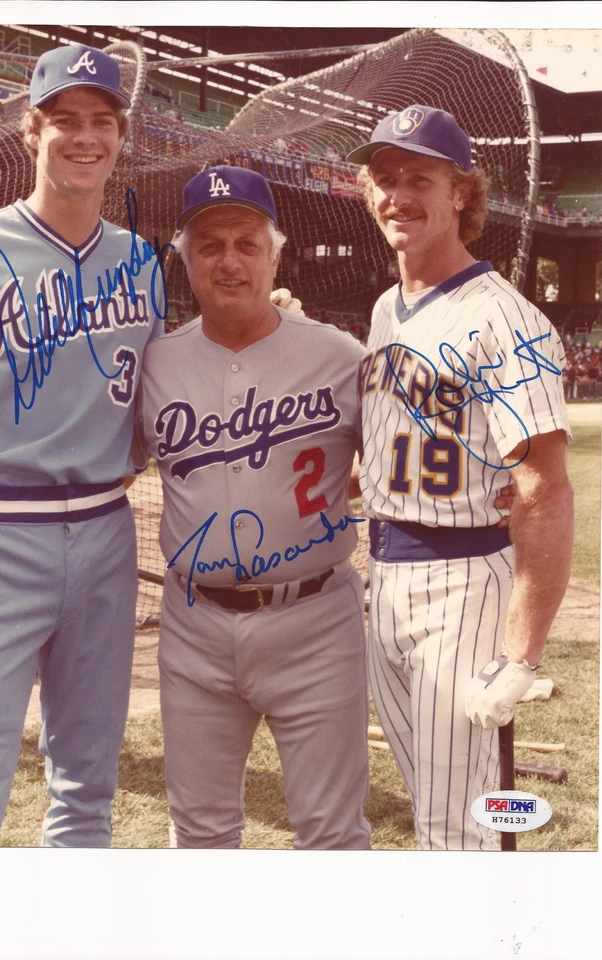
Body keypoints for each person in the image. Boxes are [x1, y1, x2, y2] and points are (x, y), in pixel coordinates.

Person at [0, 44, 168, 846]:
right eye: (65, 121)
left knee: (86, 780)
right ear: (29, 135)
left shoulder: (141, 263)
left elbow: (157, 407)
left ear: (119, 137)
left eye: (101, 122)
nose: (85, 137)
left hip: (106, 530)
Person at [346, 105, 574, 850]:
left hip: (463, 582)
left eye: (420, 177)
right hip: (383, 573)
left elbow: (544, 487)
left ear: (461, 194)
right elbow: (400, 438)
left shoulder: (507, 318)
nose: (398, 195)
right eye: (385, 178)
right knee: (428, 805)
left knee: (460, 824)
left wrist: (521, 654)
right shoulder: (387, 308)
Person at [136, 166, 372, 849]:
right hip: (193, 624)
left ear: (277, 253)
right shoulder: (157, 363)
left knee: (330, 834)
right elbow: (114, 466)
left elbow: (388, 468)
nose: (229, 260)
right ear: (184, 258)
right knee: (201, 831)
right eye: (209, 245)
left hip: (316, 621)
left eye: (246, 242)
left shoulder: (339, 355)